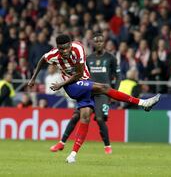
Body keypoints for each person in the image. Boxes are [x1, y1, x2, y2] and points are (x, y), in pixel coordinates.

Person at [28, 34, 160, 163]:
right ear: (57, 47)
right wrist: (33, 78)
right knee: (104, 88)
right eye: (61, 48)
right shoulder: (53, 55)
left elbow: (79, 73)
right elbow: (42, 60)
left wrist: (59, 84)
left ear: (70, 44)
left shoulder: (78, 48)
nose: (65, 51)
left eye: (67, 47)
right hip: (71, 86)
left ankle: (72, 155)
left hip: (82, 81)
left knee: (85, 117)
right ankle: (143, 103)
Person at [49, 32, 121, 154]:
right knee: (75, 116)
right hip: (89, 90)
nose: (98, 43)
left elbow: (118, 76)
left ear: (104, 43)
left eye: (101, 41)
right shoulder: (88, 58)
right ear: (92, 43)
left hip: (103, 93)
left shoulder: (111, 58)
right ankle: (61, 143)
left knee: (99, 118)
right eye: (96, 41)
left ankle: (107, 146)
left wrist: (115, 93)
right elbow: (80, 73)